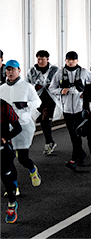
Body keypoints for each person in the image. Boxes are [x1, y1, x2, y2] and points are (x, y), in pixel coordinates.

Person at [0, 61, 42, 196]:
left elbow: (38, 102)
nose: (10, 72)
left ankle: (32, 169)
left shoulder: (27, 86)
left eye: (13, 70)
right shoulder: (2, 88)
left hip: (23, 126)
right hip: (7, 129)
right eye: (8, 70)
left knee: (22, 159)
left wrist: (26, 104)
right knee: (8, 160)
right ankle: (14, 187)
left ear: (19, 70)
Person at [49, 51, 91, 170]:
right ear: (65, 61)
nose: (70, 62)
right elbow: (52, 88)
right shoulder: (60, 73)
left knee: (77, 133)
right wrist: (61, 91)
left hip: (80, 108)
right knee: (73, 134)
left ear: (77, 61)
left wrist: (85, 93)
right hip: (66, 108)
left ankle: (76, 158)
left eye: (73, 60)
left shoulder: (83, 72)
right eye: (68, 60)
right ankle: (79, 156)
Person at [25, 50, 60, 155]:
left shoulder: (55, 70)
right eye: (38, 59)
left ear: (48, 59)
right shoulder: (32, 71)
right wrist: (36, 87)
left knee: (45, 120)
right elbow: (27, 85)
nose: (40, 61)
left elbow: (60, 82)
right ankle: (50, 141)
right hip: (37, 99)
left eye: (42, 59)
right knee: (41, 121)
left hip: (50, 98)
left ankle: (49, 143)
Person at [1, 98, 22, 223]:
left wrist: (6, 137)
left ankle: (12, 205)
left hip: (3, 149)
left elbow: (17, 128)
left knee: (5, 177)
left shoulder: (4, 106)